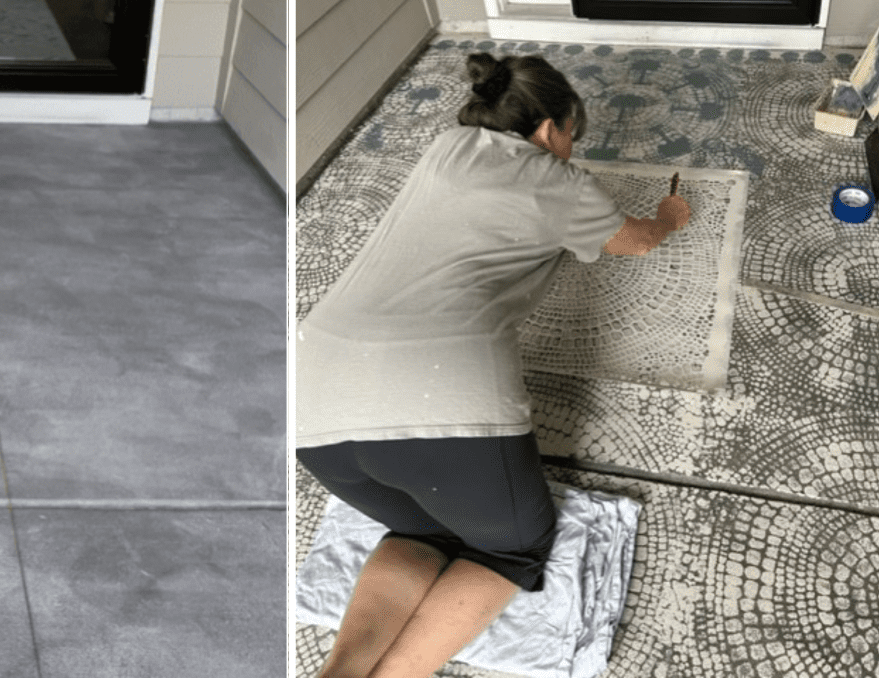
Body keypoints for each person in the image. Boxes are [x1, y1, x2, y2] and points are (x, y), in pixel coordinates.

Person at [296, 52, 692, 678]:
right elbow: (635, 241)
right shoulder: (556, 181)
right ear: (547, 130)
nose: (569, 150)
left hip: (314, 414)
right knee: (513, 547)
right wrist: (670, 216)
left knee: (424, 533)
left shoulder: (448, 146)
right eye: (570, 137)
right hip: (435, 406)